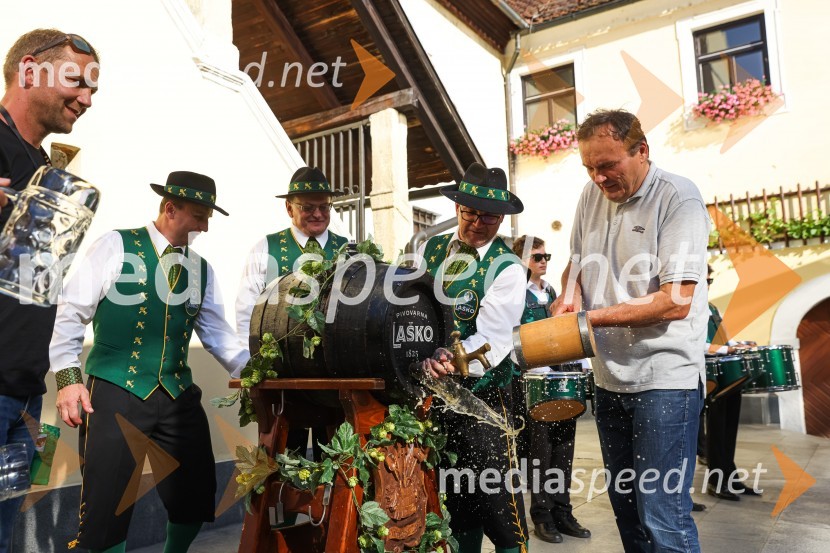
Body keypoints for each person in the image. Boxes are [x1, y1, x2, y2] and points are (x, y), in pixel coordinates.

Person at [49, 171, 249, 553]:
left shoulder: (201, 269)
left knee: (196, 491)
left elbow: (219, 336)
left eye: (208, 218)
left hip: (176, 393)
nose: (205, 227)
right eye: (199, 216)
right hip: (114, 390)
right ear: (170, 209)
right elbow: (70, 312)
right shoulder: (117, 246)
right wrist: (68, 379)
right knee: (106, 505)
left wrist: (258, 374)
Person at [551, 109, 709, 552]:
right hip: (608, 378)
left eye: (608, 165)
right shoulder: (589, 195)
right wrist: (570, 294)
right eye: (589, 167)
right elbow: (577, 262)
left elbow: (676, 301)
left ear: (641, 151)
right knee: (627, 514)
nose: (599, 178)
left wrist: (588, 320)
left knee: (663, 516)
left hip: (665, 381)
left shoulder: (679, 198)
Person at [0, 29, 99, 550]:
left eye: (93, 91)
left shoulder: (44, 171)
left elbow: (48, 294)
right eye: (77, 83)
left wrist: (63, 377)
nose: (86, 99)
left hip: (20, 396)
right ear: (32, 70)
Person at [417, 162, 528, 553]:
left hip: (486, 401)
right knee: (454, 501)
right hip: (435, 396)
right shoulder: (429, 249)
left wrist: (450, 362)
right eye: (470, 214)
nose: (478, 224)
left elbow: (494, 340)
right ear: (458, 209)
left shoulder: (509, 267)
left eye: (490, 217)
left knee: (500, 506)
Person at [235, 166, 347, 459]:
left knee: (337, 465)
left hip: (334, 382)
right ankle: (284, 506)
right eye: (307, 207)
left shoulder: (348, 251)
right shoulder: (265, 248)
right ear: (289, 208)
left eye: (324, 206)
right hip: (282, 381)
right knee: (284, 464)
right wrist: (250, 368)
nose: (318, 214)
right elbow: (246, 311)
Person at [511, 235, 591, 544]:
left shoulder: (553, 292)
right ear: (522, 262)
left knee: (564, 449)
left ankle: (563, 511)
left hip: (560, 382)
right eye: (537, 257)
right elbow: (512, 337)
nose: (544, 261)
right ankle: (541, 516)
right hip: (532, 385)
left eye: (547, 257)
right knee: (539, 453)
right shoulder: (517, 293)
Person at [704, 264, 761, 501]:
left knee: (728, 430)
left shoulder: (711, 307)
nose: (707, 285)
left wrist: (739, 343)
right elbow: (696, 344)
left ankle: (732, 477)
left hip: (727, 375)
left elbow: (724, 336)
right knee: (716, 432)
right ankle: (717, 482)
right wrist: (727, 348)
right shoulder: (690, 309)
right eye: (705, 281)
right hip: (709, 377)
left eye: (710, 281)